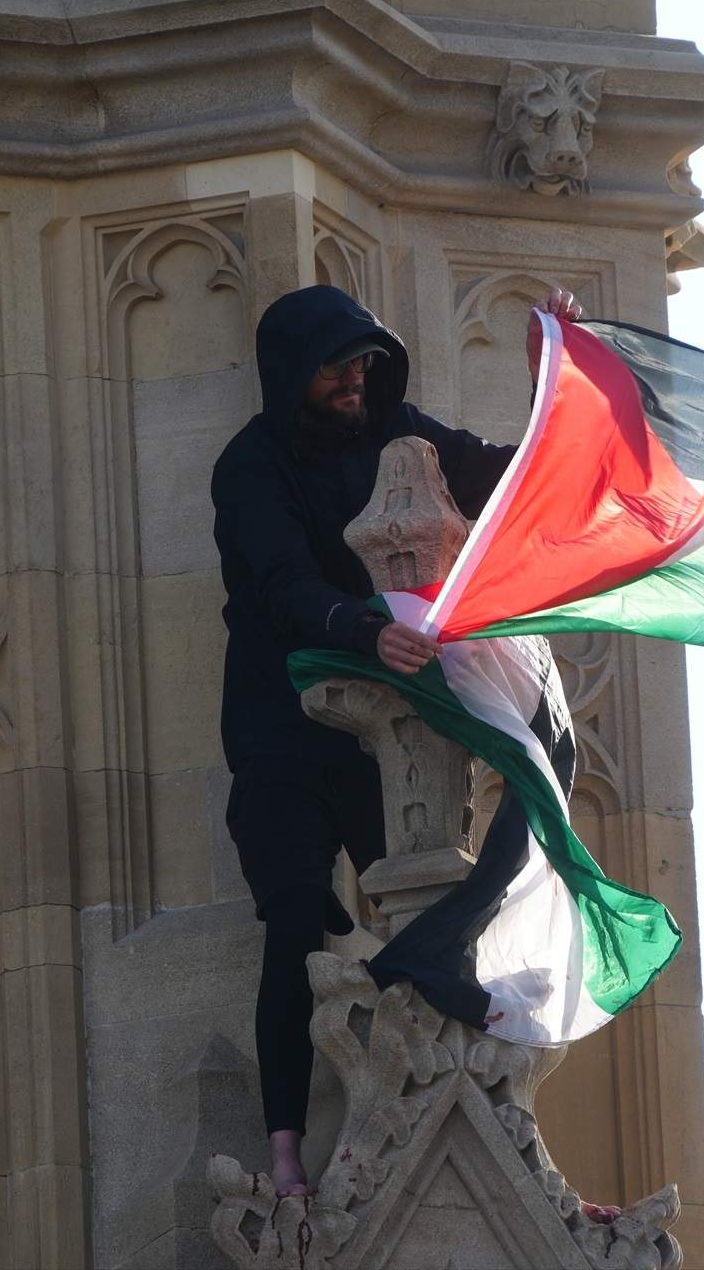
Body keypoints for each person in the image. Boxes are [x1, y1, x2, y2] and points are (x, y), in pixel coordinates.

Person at [211, 282, 580, 1198]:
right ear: (294, 373)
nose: (354, 380)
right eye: (337, 366)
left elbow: (504, 480)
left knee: (443, 919)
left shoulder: (395, 426)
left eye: (365, 363)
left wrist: (553, 381)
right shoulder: (250, 467)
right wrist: (359, 625)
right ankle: (289, 1156)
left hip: (396, 726)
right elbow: (282, 586)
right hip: (285, 729)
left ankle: (503, 1148)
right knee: (296, 920)